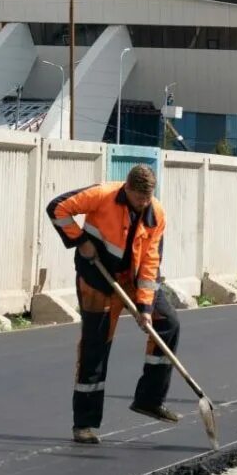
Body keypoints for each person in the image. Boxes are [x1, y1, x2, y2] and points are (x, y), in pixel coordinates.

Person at [47, 164, 179, 445]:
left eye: (148, 199)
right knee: (95, 346)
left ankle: (150, 399)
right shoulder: (102, 195)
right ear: (127, 189)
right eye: (138, 199)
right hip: (97, 279)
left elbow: (151, 262)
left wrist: (144, 308)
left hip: (131, 279)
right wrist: (80, 240)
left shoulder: (156, 214)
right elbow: (58, 208)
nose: (143, 204)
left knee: (167, 323)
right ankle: (85, 425)